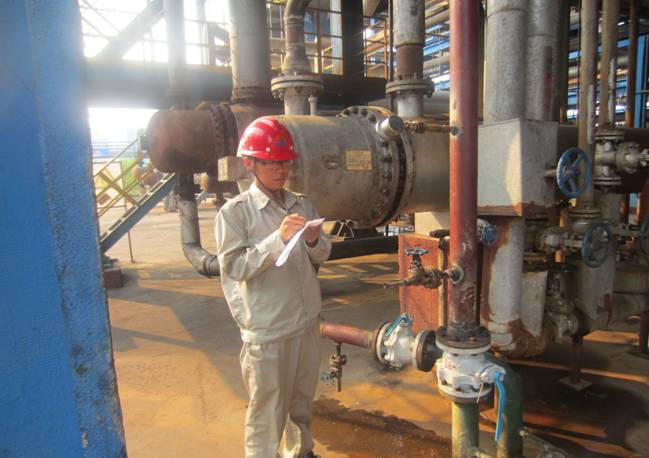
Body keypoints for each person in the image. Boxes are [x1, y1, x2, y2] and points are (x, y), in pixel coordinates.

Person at [214, 117, 331, 458]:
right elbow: (234, 267)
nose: (281, 170)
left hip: (306, 324)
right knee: (267, 412)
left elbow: (322, 254)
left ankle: (301, 451)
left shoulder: (301, 204)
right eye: (271, 162)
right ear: (249, 163)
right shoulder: (235, 214)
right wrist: (276, 240)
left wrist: (313, 240)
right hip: (269, 332)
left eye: (285, 162)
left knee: (301, 404)